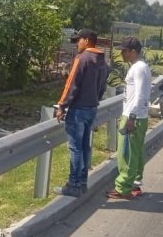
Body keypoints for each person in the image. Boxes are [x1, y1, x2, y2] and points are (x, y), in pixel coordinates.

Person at [54, 29, 109, 197]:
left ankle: (74, 184)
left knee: (75, 147)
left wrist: (62, 105)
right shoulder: (102, 61)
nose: (77, 44)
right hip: (92, 108)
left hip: (78, 110)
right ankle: (83, 182)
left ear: (86, 40)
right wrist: (95, 99)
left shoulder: (82, 58)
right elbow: (102, 87)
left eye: (78, 40)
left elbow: (71, 84)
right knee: (85, 146)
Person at [107, 37, 151, 200]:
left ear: (133, 51)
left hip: (134, 116)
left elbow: (140, 95)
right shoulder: (142, 67)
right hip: (140, 116)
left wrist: (132, 117)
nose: (122, 54)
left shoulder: (138, 68)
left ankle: (123, 187)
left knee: (126, 154)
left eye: (124, 51)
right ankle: (134, 183)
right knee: (136, 152)